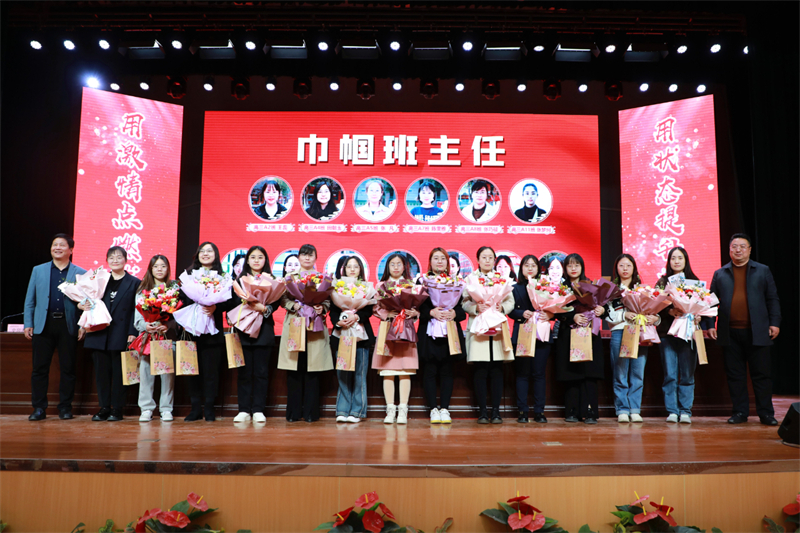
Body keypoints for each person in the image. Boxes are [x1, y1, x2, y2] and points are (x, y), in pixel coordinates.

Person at [708, 233, 781, 426]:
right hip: (729, 332)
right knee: (735, 375)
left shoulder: (762, 270)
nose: (738, 250)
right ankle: (740, 412)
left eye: (742, 246)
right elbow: (710, 302)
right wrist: (710, 324)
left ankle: (766, 414)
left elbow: (772, 298)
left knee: (762, 375)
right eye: (734, 246)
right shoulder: (720, 273)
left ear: (749, 250)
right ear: (729, 250)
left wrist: (775, 323)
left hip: (758, 331)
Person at [23, 234, 87, 421]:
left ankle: (65, 408)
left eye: (62, 245)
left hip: (68, 325)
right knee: (39, 369)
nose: (57, 248)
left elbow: (87, 302)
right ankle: (39, 408)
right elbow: (30, 300)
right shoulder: (38, 270)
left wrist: (83, 324)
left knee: (68, 369)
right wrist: (28, 323)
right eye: (54, 244)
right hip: (44, 324)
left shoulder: (80, 273)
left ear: (71, 250)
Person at [81, 246, 140, 421]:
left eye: (119, 257)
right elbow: (87, 301)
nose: (115, 260)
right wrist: (82, 307)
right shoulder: (100, 281)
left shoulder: (134, 282)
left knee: (120, 372)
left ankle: (117, 409)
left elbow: (136, 309)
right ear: (107, 261)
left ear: (126, 260)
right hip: (99, 332)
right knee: (101, 373)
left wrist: (132, 331)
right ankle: (104, 407)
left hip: (121, 332)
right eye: (111, 257)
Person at [277, 244, 333, 422]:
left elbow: (329, 300)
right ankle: (293, 413)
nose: (307, 258)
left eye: (310, 255)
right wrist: (292, 305)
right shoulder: (290, 278)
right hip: (295, 323)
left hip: (315, 325)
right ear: (299, 257)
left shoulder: (322, 278)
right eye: (304, 255)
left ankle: (311, 413)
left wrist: (322, 307)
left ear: (316, 258)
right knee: (294, 368)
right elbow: (282, 298)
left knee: (312, 369)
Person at [182, 242, 235, 422]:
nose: (205, 254)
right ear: (197, 255)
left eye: (209, 251)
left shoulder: (223, 277)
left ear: (216, 254)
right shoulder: (189, 276)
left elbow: (230, 301)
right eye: (202, 251)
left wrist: (215, 307)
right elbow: (181, 299)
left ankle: (210, 408)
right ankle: (195, 408)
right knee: (192, 371)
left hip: (213, 332)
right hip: (191, 330)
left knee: (211, 372)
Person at [462, 246, 514, 424]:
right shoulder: (471, 279)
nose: (487, 260)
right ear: (478, 260)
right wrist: (475, 307)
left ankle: (496, 412)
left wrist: (502, 307)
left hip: (497, 329)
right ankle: (483, 412)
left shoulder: (502, 279)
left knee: (497, 370)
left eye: (490, 257)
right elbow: (464, 302)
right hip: (478, 328)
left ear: (494, 260)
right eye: (483, 257)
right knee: (480, 370)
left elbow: (510, 301)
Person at [554, 253, 605, 424]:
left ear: (582, 267)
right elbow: (554, 312)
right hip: (568, 334)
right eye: (569, 265)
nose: (573, 268)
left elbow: (605, 309)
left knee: (589, 373)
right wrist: (572, 317)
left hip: (590, 334)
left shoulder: (591, 286)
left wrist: (602, 310)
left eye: (576, 265)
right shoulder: (560, 288)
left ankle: (590, 411)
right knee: (571, 373)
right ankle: (572, 411)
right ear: (565, 268)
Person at [607, 254, 658, 424]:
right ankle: (622, 409)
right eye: (621, 265)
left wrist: (655, 319)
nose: (625, 269)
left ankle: (635, 409)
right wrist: (624, 315)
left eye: (628, 265)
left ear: (634, 268)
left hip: (639, 332)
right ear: (616, 268)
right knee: (620, 372)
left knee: (637, 372)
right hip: (620, 332)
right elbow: (607, 314)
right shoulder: (611, 290)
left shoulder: (643, 290)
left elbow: (654, 312)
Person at [418, 248, 467, 424]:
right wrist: (431, 312)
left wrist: (454, 313)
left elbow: (462, 310)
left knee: (447, 371)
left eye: (443, 259)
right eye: (436, 258)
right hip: (429, 331)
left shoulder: (456, 282)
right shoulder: (422, 281)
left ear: (447, 263)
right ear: (430, 261)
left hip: (449, 331)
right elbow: (417, 307)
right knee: (429, 371)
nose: (439, 262)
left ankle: (445, 409)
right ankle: (433, 409)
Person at [230, 246, 276, 424]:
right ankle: (243, 409)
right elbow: (232, 303)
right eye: (253, 257)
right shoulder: (239, 280)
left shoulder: (272, 281)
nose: (256, 260)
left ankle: (258, 409)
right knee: (244, 372)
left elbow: (275, 304)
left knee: (261, 373)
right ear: (247, 260)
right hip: (243, 331)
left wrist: (263, 308)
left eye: (260, 257)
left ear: (265, 260)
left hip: (264, 331)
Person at [655, 247, 701, 424]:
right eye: (673, 258)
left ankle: (685, 411)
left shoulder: (694, 282)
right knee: (670, 374)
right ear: (669, 261)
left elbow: (703, 304)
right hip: (668, 334)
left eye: (680, 258)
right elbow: (654, 306)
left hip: (688, 334)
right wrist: (669, 311)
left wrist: (698, 315)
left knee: (687, 374)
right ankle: (672, 411)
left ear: (685, 260)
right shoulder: (662, 282)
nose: (676, 261)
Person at [373, 253, 419, 424]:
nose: (396, 267)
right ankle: (390, 409)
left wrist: (414, 313)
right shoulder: (381, 286)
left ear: (404, 267)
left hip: (406, 330)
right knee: (388, 371)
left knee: (405, 370)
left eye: (399, 264)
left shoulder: (411, 286)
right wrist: (387, 314)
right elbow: (375, 307)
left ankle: (403, 410)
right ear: (387, 267)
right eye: (392, 264)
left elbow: (417, 307)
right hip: (387, 330)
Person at [134, 255, 178, 422]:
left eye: (163, 266)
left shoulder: (174, 289)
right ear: (150, 269)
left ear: (168, 269)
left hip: (167, 337)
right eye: (156, 266)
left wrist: (168, 325)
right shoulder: (142, 289)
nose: (159, 269)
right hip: (148, 337)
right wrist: (145, 326)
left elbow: (180, 316)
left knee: (167, 374)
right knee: (145, 373)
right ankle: (146, 408)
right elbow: (137, 318)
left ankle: (166, 408)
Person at [330, 256, 374, 423]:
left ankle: (357, 411)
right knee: (343, 373)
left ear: (360, 269)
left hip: (361, 337)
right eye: (349, 266)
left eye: (356, 266)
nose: (353, 269)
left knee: (359, 375)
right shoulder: (337, 287)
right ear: (344, 269)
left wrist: (356, 316)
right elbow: (333, 310)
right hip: (342, 335)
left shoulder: (366, 287)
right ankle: (342, 410)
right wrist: (338, 322)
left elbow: (369, 310)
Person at [509, 254, 553, 423]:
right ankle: (522, 411)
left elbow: (555, 308)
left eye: (533, 265)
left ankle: (539, 412)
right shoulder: (515, 288)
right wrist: (522, 313)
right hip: (523, 332)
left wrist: (550, 314)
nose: (530, 268)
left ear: (538, 268)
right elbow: (509, 310)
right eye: (526, 265)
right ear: (521, 268)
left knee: (539, 374)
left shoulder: (546, 287)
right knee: (522, 374)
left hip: (541, 334)